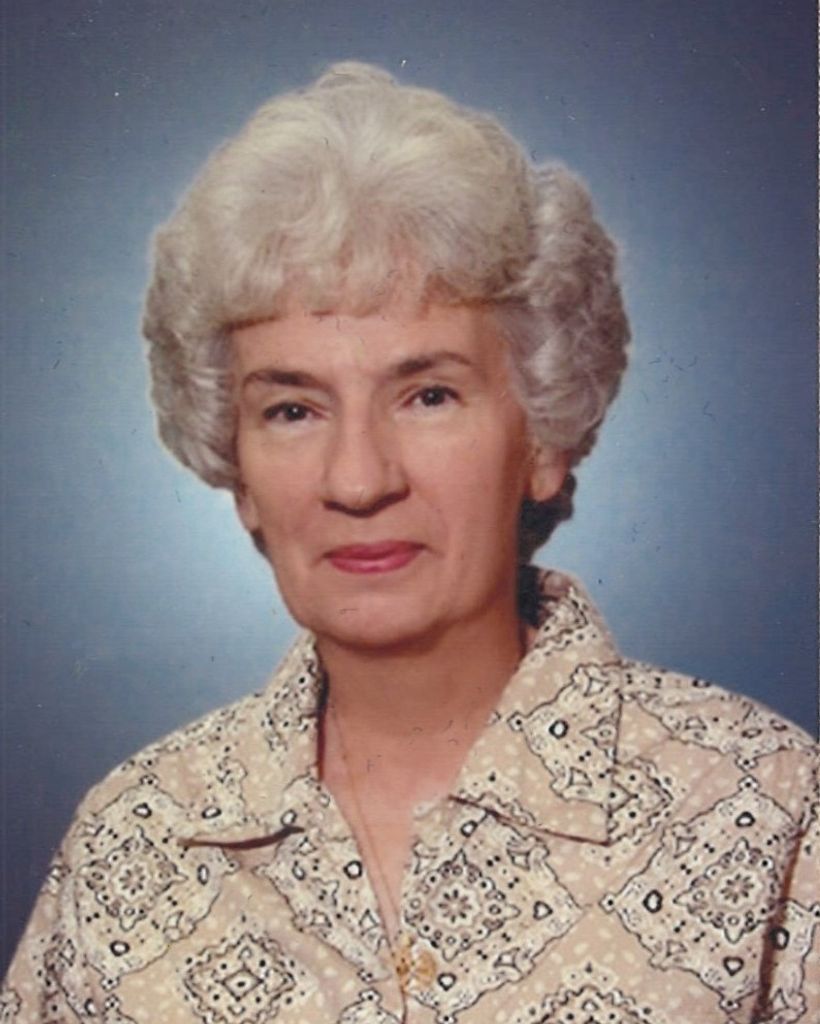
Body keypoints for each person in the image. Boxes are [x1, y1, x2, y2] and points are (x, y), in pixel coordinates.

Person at [2, 61, 817, 1024]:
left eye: (429, 396)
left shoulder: (766, 809)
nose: (359, 480)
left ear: (545, 438)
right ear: (238, 470)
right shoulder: (135, 840)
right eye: (293, 409)